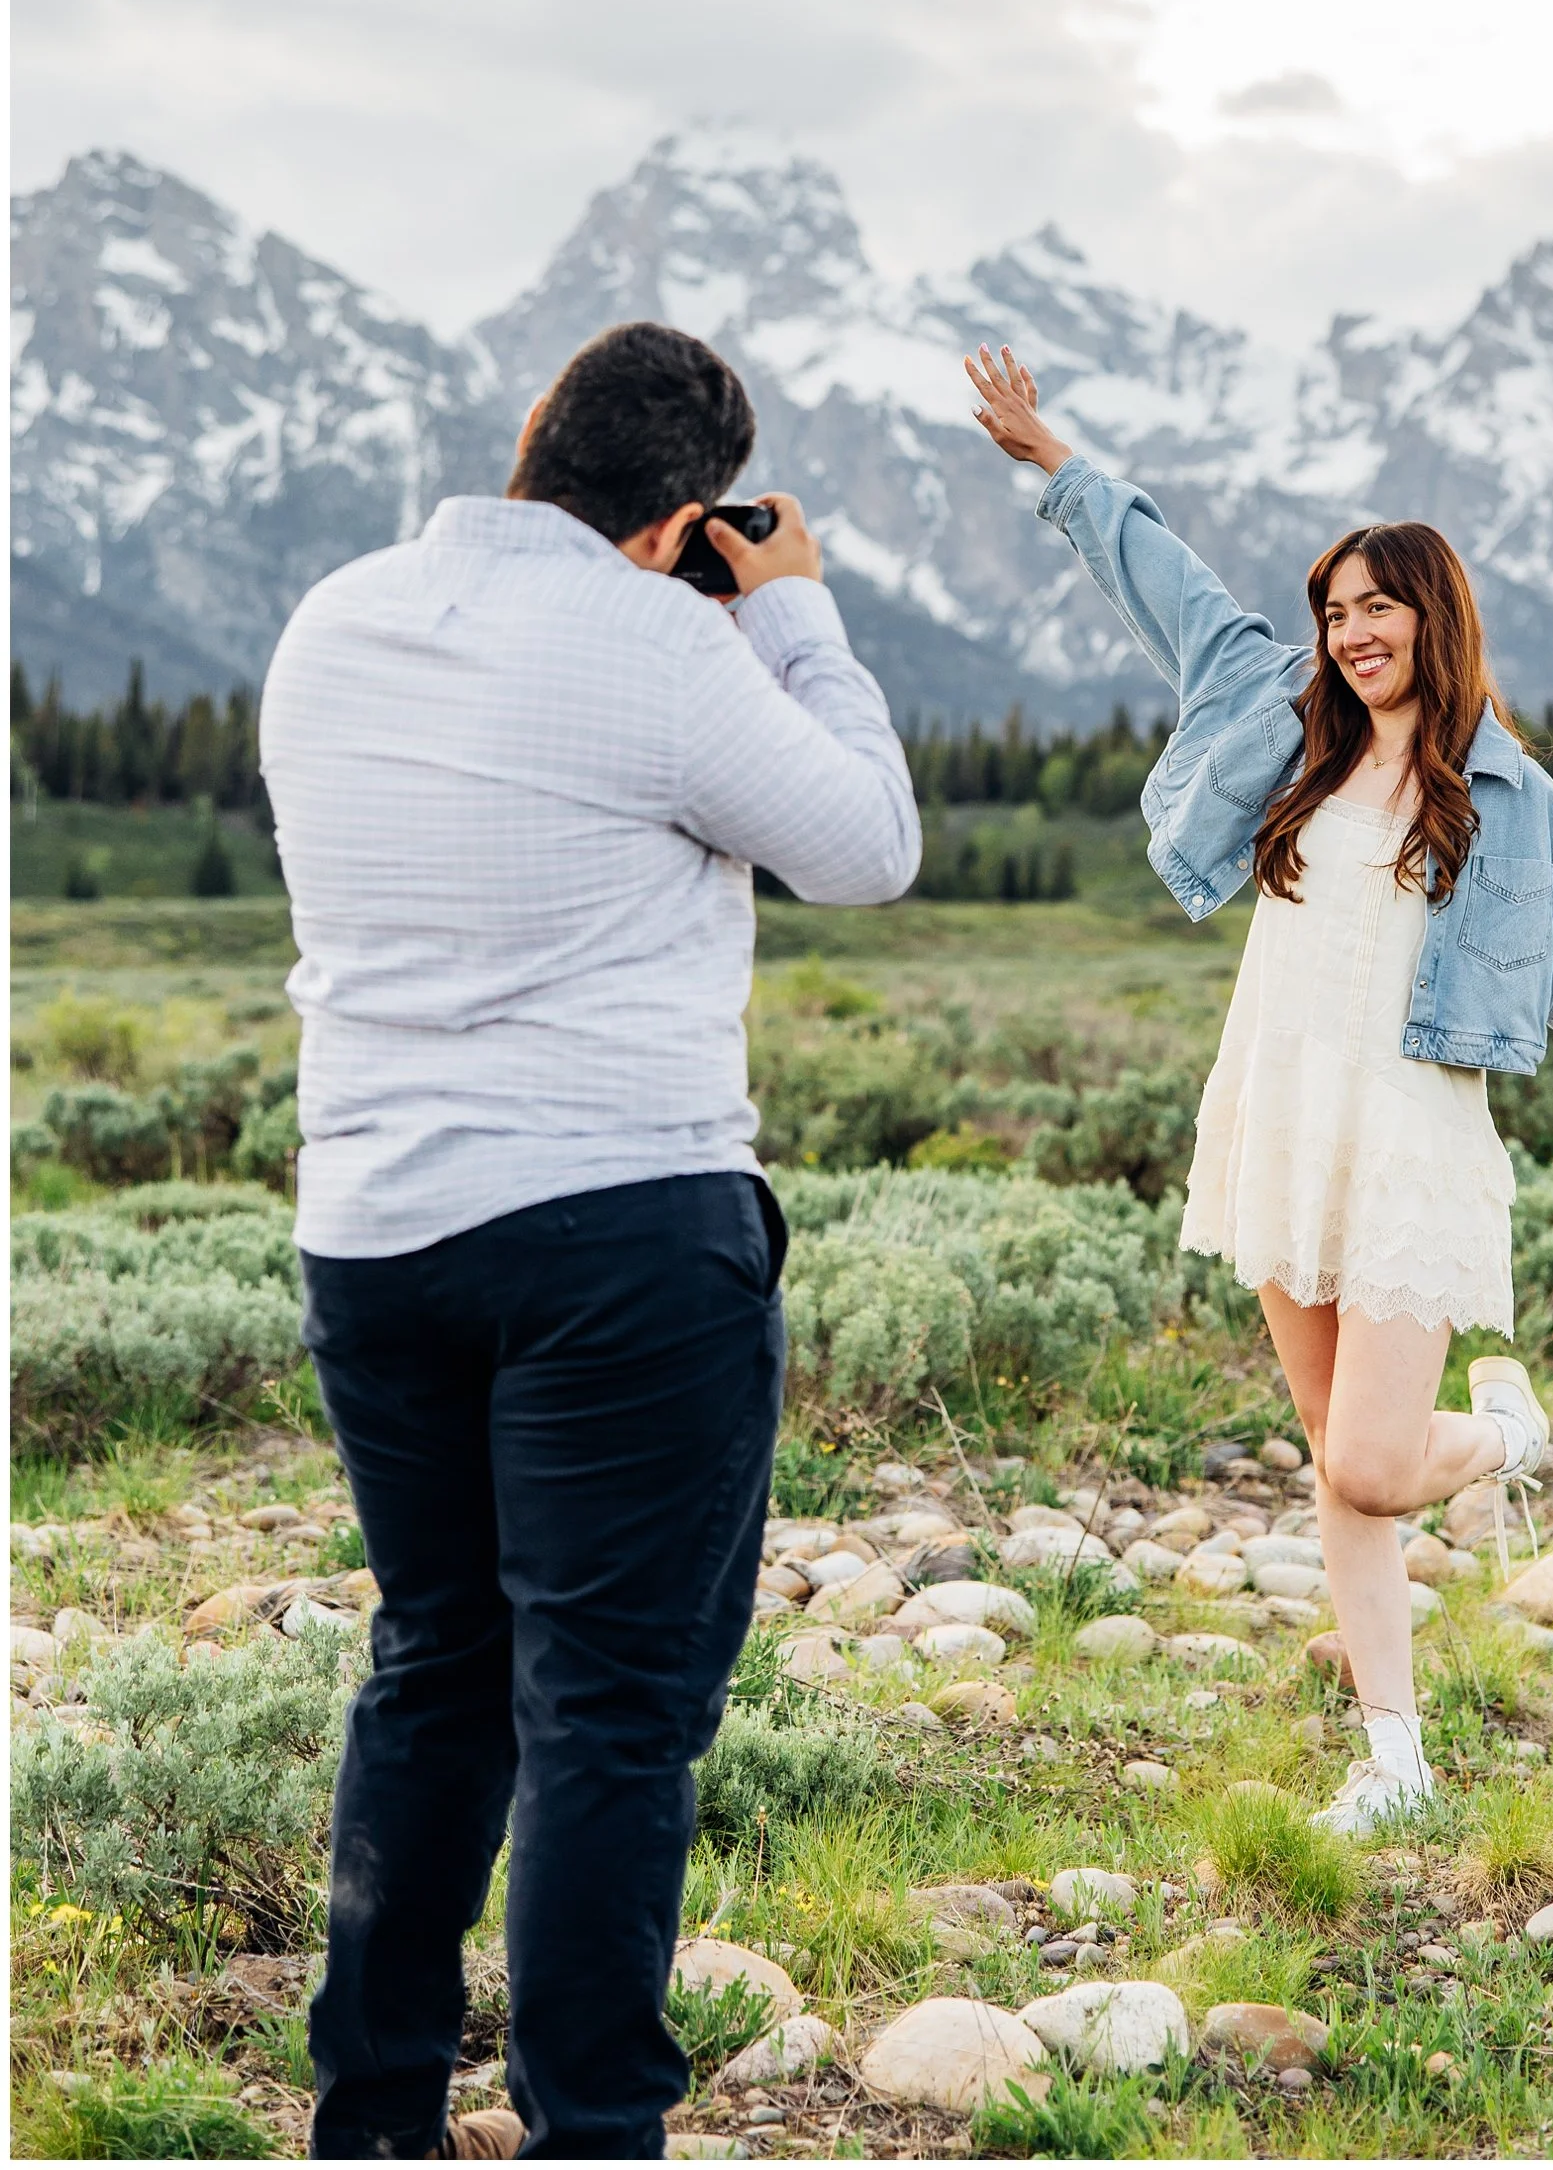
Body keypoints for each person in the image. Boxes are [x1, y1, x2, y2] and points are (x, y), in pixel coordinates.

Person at [964, 343, 1553, 1835]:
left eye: (1375, 606)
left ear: (1433, 613)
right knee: (1339, 1473)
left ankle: (1511, 1440)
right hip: (1277, 1121)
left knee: (1371, 1455)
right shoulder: (1272, 708)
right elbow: (1166, 583)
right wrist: (1056, 464)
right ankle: (1394, 1760)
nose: (1348, 633)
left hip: (1408, 1141)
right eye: (1333, 612)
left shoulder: (1514, 802)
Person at [260, 322, 921, 2162]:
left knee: (434, 1660)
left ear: (530, 441)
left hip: (375, 1229)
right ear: (682, 520)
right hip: (621, 1232)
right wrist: (789, 612)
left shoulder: (334, 618)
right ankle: (590, 2133)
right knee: (612, 1714)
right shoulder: (660, 643)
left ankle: (377, 2114)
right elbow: (868, 842)